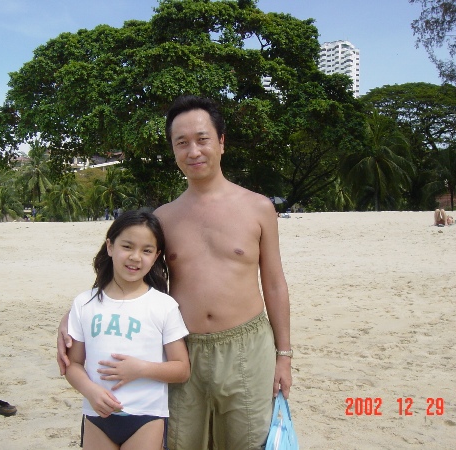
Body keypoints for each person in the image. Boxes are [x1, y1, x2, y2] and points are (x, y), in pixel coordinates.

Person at [59, 95, 292, 449]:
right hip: (181, 347)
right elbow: (131, 275)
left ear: (221, 142)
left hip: (248, 346)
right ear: (173, 150)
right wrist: (72, 316)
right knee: (181, 443)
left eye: (202, 139)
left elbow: (274, 284)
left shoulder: (259, 208)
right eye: (181, 142)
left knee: (248, 441)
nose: (193, 151)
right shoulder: (164, 218)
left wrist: (284, 356)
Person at [64, 209, 190, 450]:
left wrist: (140, 369)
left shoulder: (164, 306)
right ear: (110, 246)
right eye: (127, 246)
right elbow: (73, 364)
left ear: (157, 256)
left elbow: (182, 369)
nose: (135, 257)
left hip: (147, 417)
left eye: (146, 251)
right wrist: (90, 390)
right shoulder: (84, 303)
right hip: (97, 414)